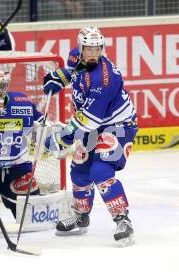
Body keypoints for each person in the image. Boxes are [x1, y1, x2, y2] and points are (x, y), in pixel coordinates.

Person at [42, 26, 137, 247]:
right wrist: (59, 78)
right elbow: (72, 71)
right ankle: (81, 215)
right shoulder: (78, 58)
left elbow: (89, 120)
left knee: (101, 170)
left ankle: (123, 220)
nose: (93, 53)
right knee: (80, 167)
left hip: (118, 126)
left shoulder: (104, 79)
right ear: (81, 48)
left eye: (97, 49)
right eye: (89, 48)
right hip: (94, 126)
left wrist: (62, 137)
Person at [0, 70, 44, 218]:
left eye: (3, 86)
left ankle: (35, 218)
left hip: (19, 165)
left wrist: (50, 132)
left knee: (26, 192)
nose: (0, 91)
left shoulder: (22, 101)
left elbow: (41, 122)